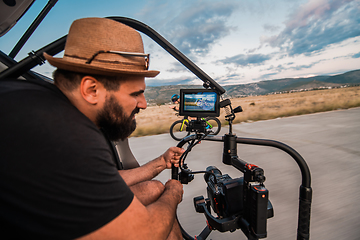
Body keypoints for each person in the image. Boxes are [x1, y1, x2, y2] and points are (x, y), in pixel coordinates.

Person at [0, 17, 184, 239]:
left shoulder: (34, 99)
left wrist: (161, 163)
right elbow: (145, 234)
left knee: (154, 189)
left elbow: (104, 181)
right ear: (91, 89)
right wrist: (174, 192)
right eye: (135, 93)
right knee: (164, 200)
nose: (143, 104)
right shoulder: (64, 132)